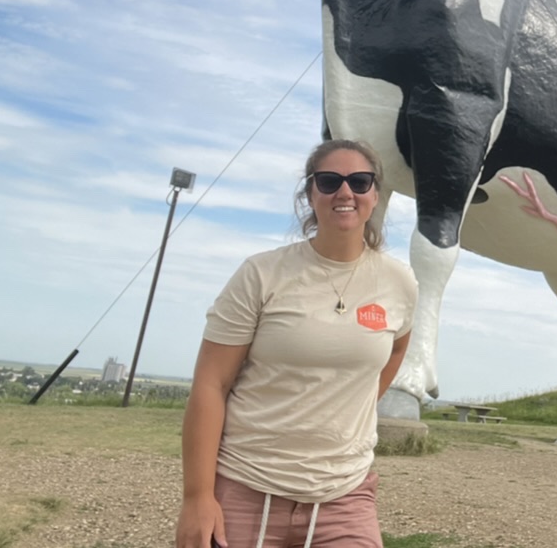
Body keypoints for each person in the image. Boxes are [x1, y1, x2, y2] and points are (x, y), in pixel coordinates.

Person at [175, 139, 417, 548]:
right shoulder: (261, 275)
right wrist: (197, 496)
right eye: (329, 181)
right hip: (246, 486)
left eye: (360, 182)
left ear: (375, 195)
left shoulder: (399, 283)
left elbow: (395, 349)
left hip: (344, 495)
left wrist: (351, 405)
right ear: (310, 194)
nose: (345, 192)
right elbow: (210, 384)